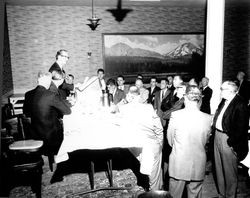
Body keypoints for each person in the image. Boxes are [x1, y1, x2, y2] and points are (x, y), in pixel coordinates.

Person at [167, 85, 212, 198]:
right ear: (199, 100)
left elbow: (170, 140)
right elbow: (206, 140)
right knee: (194, 194)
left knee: (175, 195)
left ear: (185, 98)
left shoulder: (176, 115)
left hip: (179, 163)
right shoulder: (208, 118)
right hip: (198, 163)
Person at [118, 86, 163, 190]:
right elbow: (159, 128)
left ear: (129, 95)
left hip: (133, 146)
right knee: (154, 174)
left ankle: (154, 187)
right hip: (149, 144)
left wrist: (125, 101)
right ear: (138, 96)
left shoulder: (123, 109)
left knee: (150, 169)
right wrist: (160, 144)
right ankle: (156, 191)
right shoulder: (148, 107)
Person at [212, 81, 249, 198]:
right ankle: (222, 194)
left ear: (230, 91)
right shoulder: (224, 101)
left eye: (222, 89)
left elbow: (241, 128)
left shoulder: (240, 104)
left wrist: (230, 142)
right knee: (219, 168)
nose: (221, 91)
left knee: (229, 172)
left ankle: (230, 195)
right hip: (217, 136)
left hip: (228, 139)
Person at [23, 71, 71, 156]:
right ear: (48, 81)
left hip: (34, 134)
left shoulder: (28, 94)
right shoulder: (50, 95)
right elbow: (67, 111)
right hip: (51, 137)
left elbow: (26, 113)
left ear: (38, 80)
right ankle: (63, 157)